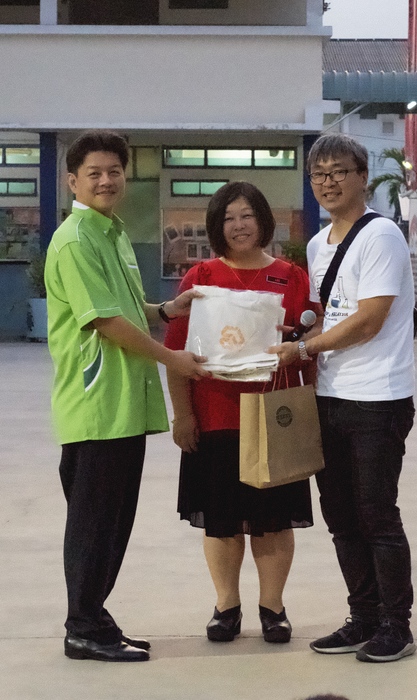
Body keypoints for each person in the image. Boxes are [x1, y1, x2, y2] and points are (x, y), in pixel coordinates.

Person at [45, 130, 209, 662]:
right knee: (95, 523)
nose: (106, 180)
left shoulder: (110, 233)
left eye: (113, 171)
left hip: (123, 407)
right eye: (93, 172)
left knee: (112, 522)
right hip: (97, 406)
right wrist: (172, 358)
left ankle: (93, 615)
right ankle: (82, 626)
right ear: (73, 180)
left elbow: (128, 306)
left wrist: (165, 311)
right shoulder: (74, 240)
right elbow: (107, 321)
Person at [270, 134, 416, 663]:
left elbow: (369, 321)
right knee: (340, 515)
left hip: (378, 397)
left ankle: (396, 627)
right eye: (318, 175)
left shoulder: (381, 236)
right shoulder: (317, 244)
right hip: (328, 394)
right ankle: (363, 616)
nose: (328, 182)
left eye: (338, 172)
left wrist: (305, 346)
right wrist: (294, 336)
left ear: (362, 176)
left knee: (377, 513)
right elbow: (328, 313)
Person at [165, 181, 320, 643]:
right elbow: (176, 353)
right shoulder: (200, 278)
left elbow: (310, 349)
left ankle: (273, 608)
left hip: (274, 416)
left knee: (272, 521)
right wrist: (183, 415)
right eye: (229, 217)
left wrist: (301, 365)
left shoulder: (292, 277)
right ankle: (225, 607)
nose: (239, 225)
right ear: (217, 225)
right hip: (214, 417)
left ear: (263, 220)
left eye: (247, 215)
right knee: (222, 520)